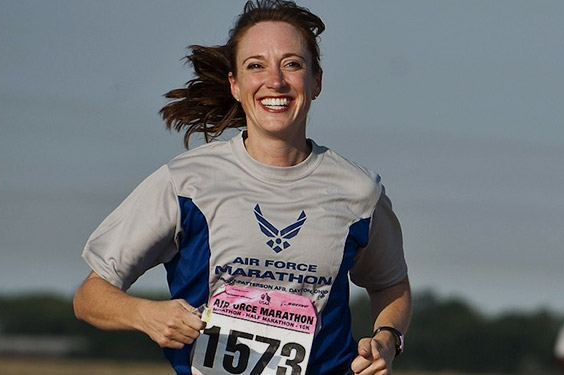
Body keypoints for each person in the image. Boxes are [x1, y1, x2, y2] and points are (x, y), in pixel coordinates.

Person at [71, 2, 410, 375]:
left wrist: (387, 339)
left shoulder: (359, 192)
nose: (276, 81)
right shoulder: (186, 182)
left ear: (316, 81)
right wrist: (145, 314)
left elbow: (390, 284)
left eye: (292, 64)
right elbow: (89, 297)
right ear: (235, 84)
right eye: (256, 65)